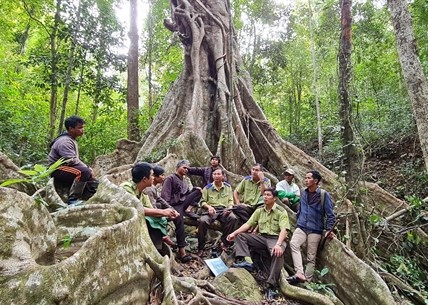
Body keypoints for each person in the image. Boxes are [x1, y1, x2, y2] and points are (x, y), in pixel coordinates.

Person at [121, 162, 192, 261]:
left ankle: (157, 252)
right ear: (144, 179)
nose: (153, 178)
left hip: (141, 218)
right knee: (150, 223)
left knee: (156, 220)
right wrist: (163, 212)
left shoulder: (143, 193)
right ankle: (153, 253)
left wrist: (168, 214)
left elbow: (151, 208)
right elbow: (135, 209)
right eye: (151, 175)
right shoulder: (126, 188)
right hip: (124, 223)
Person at [227, 188, 290, 299]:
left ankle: (271, 285)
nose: (265, 197)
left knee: (277, 253)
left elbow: (284, 230)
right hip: (262, 238)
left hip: (276, 239)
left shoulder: (281, 211)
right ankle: (247, 262)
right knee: (241, 236)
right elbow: (248, 224)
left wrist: (278, 244)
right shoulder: (259, 210)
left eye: (268, 195)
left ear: (274, 198)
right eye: (264, 195)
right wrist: (234, 233)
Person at [287, 170, 336, 284]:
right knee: (294, 243)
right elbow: (301, 208)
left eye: (309, 178)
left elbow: (330, 214)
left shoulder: (323, 195)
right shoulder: (303, 192)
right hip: (302, 226)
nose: (306, 180)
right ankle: (299, 273)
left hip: (315, 229)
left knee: (311, 257)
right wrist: (299, 217)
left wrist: (329, 229)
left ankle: (307, 282)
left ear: (316, 181)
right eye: (305, 178)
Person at [48, 116, 98, 205]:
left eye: (83, 127)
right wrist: (88, 168)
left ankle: (91, 196)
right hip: (57, 169)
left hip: (66, 167)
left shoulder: (71, 139)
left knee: (90, 177)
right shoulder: (65, 141)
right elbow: (72, 160)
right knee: (84, 172)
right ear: (71, 128)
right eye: (80, 128)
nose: (82, 130)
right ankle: (73, 199)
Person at [197, 168, 238, 257]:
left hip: (224, 210)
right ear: (212, 176)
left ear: (223, 176)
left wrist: (229, 208)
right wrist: (209, 207)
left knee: (233, 218)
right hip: (212, 210)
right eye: (214, 174)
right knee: (202, 221)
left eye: (218, 174)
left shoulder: (227, 187)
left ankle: (224, 243)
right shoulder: (207, 188)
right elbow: (202, 202)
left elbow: (231, 200)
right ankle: (201, 247)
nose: (216, 176)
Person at [144, 165, 186, 250]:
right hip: (149, 214)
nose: (164, 177)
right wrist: (165, 214)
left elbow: (160, 200)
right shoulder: (148, 189)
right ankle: (164, 237)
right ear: (155, 176)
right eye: (162, 175)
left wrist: (172, 210)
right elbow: (152, 206)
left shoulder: (153, 187)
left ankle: (173, 242)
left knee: (176, 216)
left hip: (155, 210)